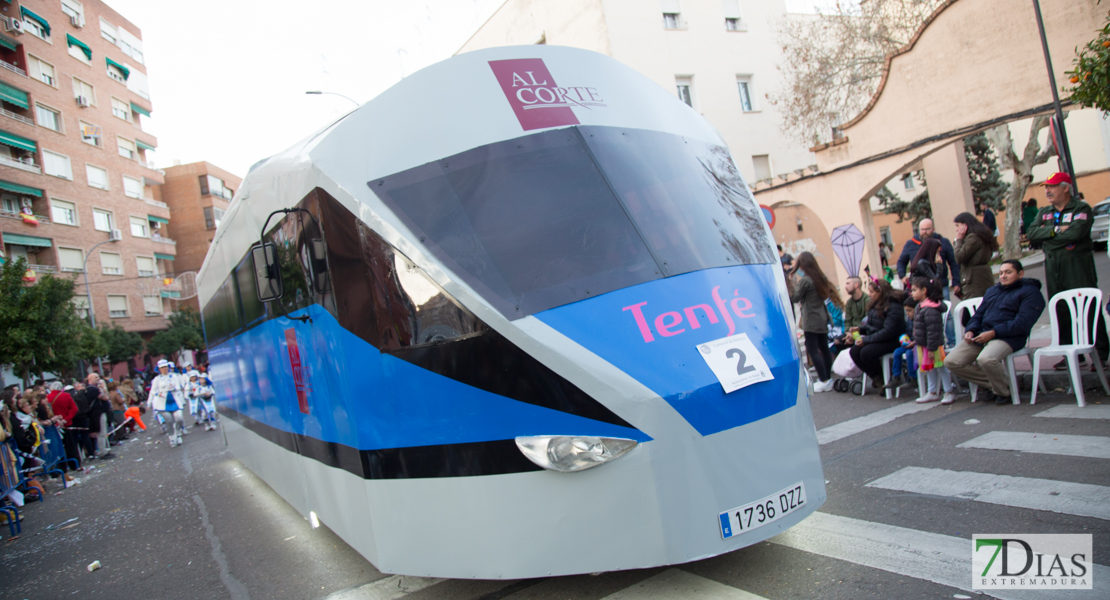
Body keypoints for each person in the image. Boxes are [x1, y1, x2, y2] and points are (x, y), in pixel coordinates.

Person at [1025, 172, 1108, 366]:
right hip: (1054, 267)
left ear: (1065, 187)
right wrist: (1055, 230)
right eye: (1046, 187)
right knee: (1060, 308)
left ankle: (1101, 355)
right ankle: (1071, 354)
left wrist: (1049, 240)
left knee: (1087, 308)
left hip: (1078, 265)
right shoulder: (1044, 211)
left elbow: (1076, 233)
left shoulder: (1082, 209)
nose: (1047, 191)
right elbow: (1032, 234)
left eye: (1052, 186)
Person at [946, 260, 1046, 405]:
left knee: (986, 359)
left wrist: (994, 333)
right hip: (983, 334)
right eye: (1001, 273)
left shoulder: (1030, 292)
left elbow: (1022, 323)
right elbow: (978, 315)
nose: (1003, 276)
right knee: (952, 361)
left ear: (1020, 274)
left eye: (1008, 272)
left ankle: (1004, 392)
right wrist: (971, 330)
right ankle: (997, 384)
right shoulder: (993, 291)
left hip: (1009, 337)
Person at [789, 252, 843, 392]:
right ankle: (828, 378)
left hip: (811, 319)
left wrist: (792, 282)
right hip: (822, 316)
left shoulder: (806, 281)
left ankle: (823, 379)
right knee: (824, 348)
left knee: (813, 350)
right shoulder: (821, 277)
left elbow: (795, 298)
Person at [849, 279, 906, 388]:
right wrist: (860, 330)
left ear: (881, 292)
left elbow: (888, 331)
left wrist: (865, 340)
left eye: (872, 292)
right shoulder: (875, 305)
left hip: (893, 340)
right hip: (880, 338)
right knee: (854, 351)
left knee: (866, 352)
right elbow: (872, 326)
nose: (869, 295)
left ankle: (885, 378)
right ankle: (877, 377)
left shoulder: (893, 306)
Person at [909, 276, 956, 404]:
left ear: (924, 290)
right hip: (924, 345)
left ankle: (948, 391)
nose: (911, 293)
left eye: (914, 290)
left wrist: (931, 348)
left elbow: (933, 331)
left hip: (932, 345)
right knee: (929, 368)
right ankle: (932, 392)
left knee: (940, 367)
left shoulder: (930, 309)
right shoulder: (921, 306)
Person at [896, 218, 960, 299]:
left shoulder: (943, 242)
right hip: (920, 286)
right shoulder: (911, 244)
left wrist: (956, 282)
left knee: (945, 309)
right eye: (922, 229)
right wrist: (902, 275)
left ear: (933, 229)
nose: (924, 232)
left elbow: (954, 263)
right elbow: (901, 261)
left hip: (941, 285)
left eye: (927, 229)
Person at [953, 212, 999, 299]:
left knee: (973, 308)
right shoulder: (980, 234)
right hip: (980, 277)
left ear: (964, 225)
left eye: (957, 226)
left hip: (974, 281)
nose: (956, 230)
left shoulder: (973, 238)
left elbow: (959, 257)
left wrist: (958, 240)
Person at [883, 296, 918, 390]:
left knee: (909, 353)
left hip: (918, 344)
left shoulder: (919, 319)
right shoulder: (910, 321)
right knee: (897, 352)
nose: (907, 313)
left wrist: (914, 342)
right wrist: (904, 338)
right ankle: (896, 377)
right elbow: (908, 332)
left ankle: (913, 378)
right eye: (906, 311)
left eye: (909, 310)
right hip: (910, 343)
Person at [149, 359, 186, 447]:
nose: (164, 369)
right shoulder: (157, 379)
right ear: (159, 369)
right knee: (169, 421)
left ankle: (178, 434)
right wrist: (150, 401)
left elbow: (179, 386)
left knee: (179, 419)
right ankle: (172, 438)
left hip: (175, 400)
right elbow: (153, 391)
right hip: (163, 403)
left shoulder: (174, 376)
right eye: (162, 368)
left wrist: (174, 388)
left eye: (165, 367)